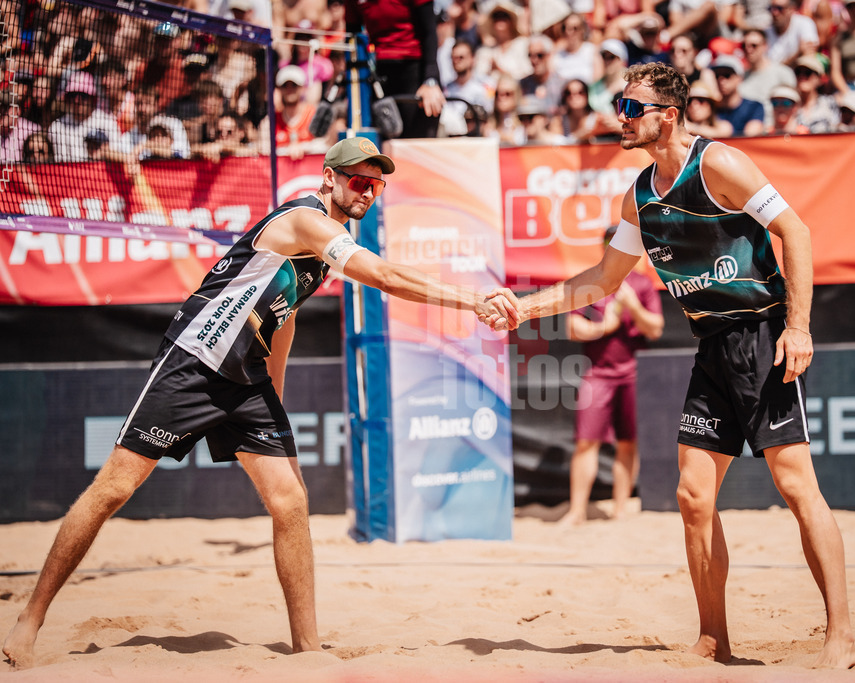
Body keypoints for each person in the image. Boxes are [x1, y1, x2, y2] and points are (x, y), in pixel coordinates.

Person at [1, 136, 519, 670]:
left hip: (247, 379)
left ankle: (307, 651)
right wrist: (472, 298)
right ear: (329, 178)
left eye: (375, 184)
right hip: (195, 362)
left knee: (291, 503)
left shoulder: (325, 243)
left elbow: (285, 317)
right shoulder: (306, 221)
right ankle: (30, 621)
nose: (366, 191)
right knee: (113, 489)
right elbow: (385, 277)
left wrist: (275, 394)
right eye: (357, 180)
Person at [498, 61, 855, 670]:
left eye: (632, 108)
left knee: (797, 487)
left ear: (668, 115)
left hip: (761, 336)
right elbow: (601, 281)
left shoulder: (718, 164)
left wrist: (798, 328)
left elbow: (796, 233)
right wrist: (524, 309)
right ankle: (713, 637)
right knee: (693, 496)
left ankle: (842, 636)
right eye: (620, 105)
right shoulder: (638, 197)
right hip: (711, 347)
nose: (622, 117)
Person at [559, 225, 664, 526]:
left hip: (632, 374)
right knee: (585, 442)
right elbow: (573, 328)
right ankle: (577, 511)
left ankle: (621, 509)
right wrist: (605, 326)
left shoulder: (642, 285)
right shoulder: (591, 282)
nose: (616, 248)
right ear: (604, 245)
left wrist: (632, 306)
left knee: (628, 441)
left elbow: (655, 328)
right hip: (598, 374)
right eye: (611, 242)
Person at [344, 0, 447, 138]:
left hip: (415, 70)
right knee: (384, 146)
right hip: (378, 76)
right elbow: (352, 37)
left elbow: (429, 31)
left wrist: (430, 79)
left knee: (416, 142)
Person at [711, 54, 766, 135]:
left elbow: (750, 137)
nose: (721, 80)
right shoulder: (711, 108)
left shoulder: (754, 107)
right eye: (717, 75)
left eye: (727, 75)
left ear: (739, 78)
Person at [766, 0, 820, 66]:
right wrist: (798, 53)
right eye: (771, 8)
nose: (774, 13)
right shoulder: (765, 33)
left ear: (791, 9)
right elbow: (767, 69)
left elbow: (809, 57)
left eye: (780, 8)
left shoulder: (805, 23)